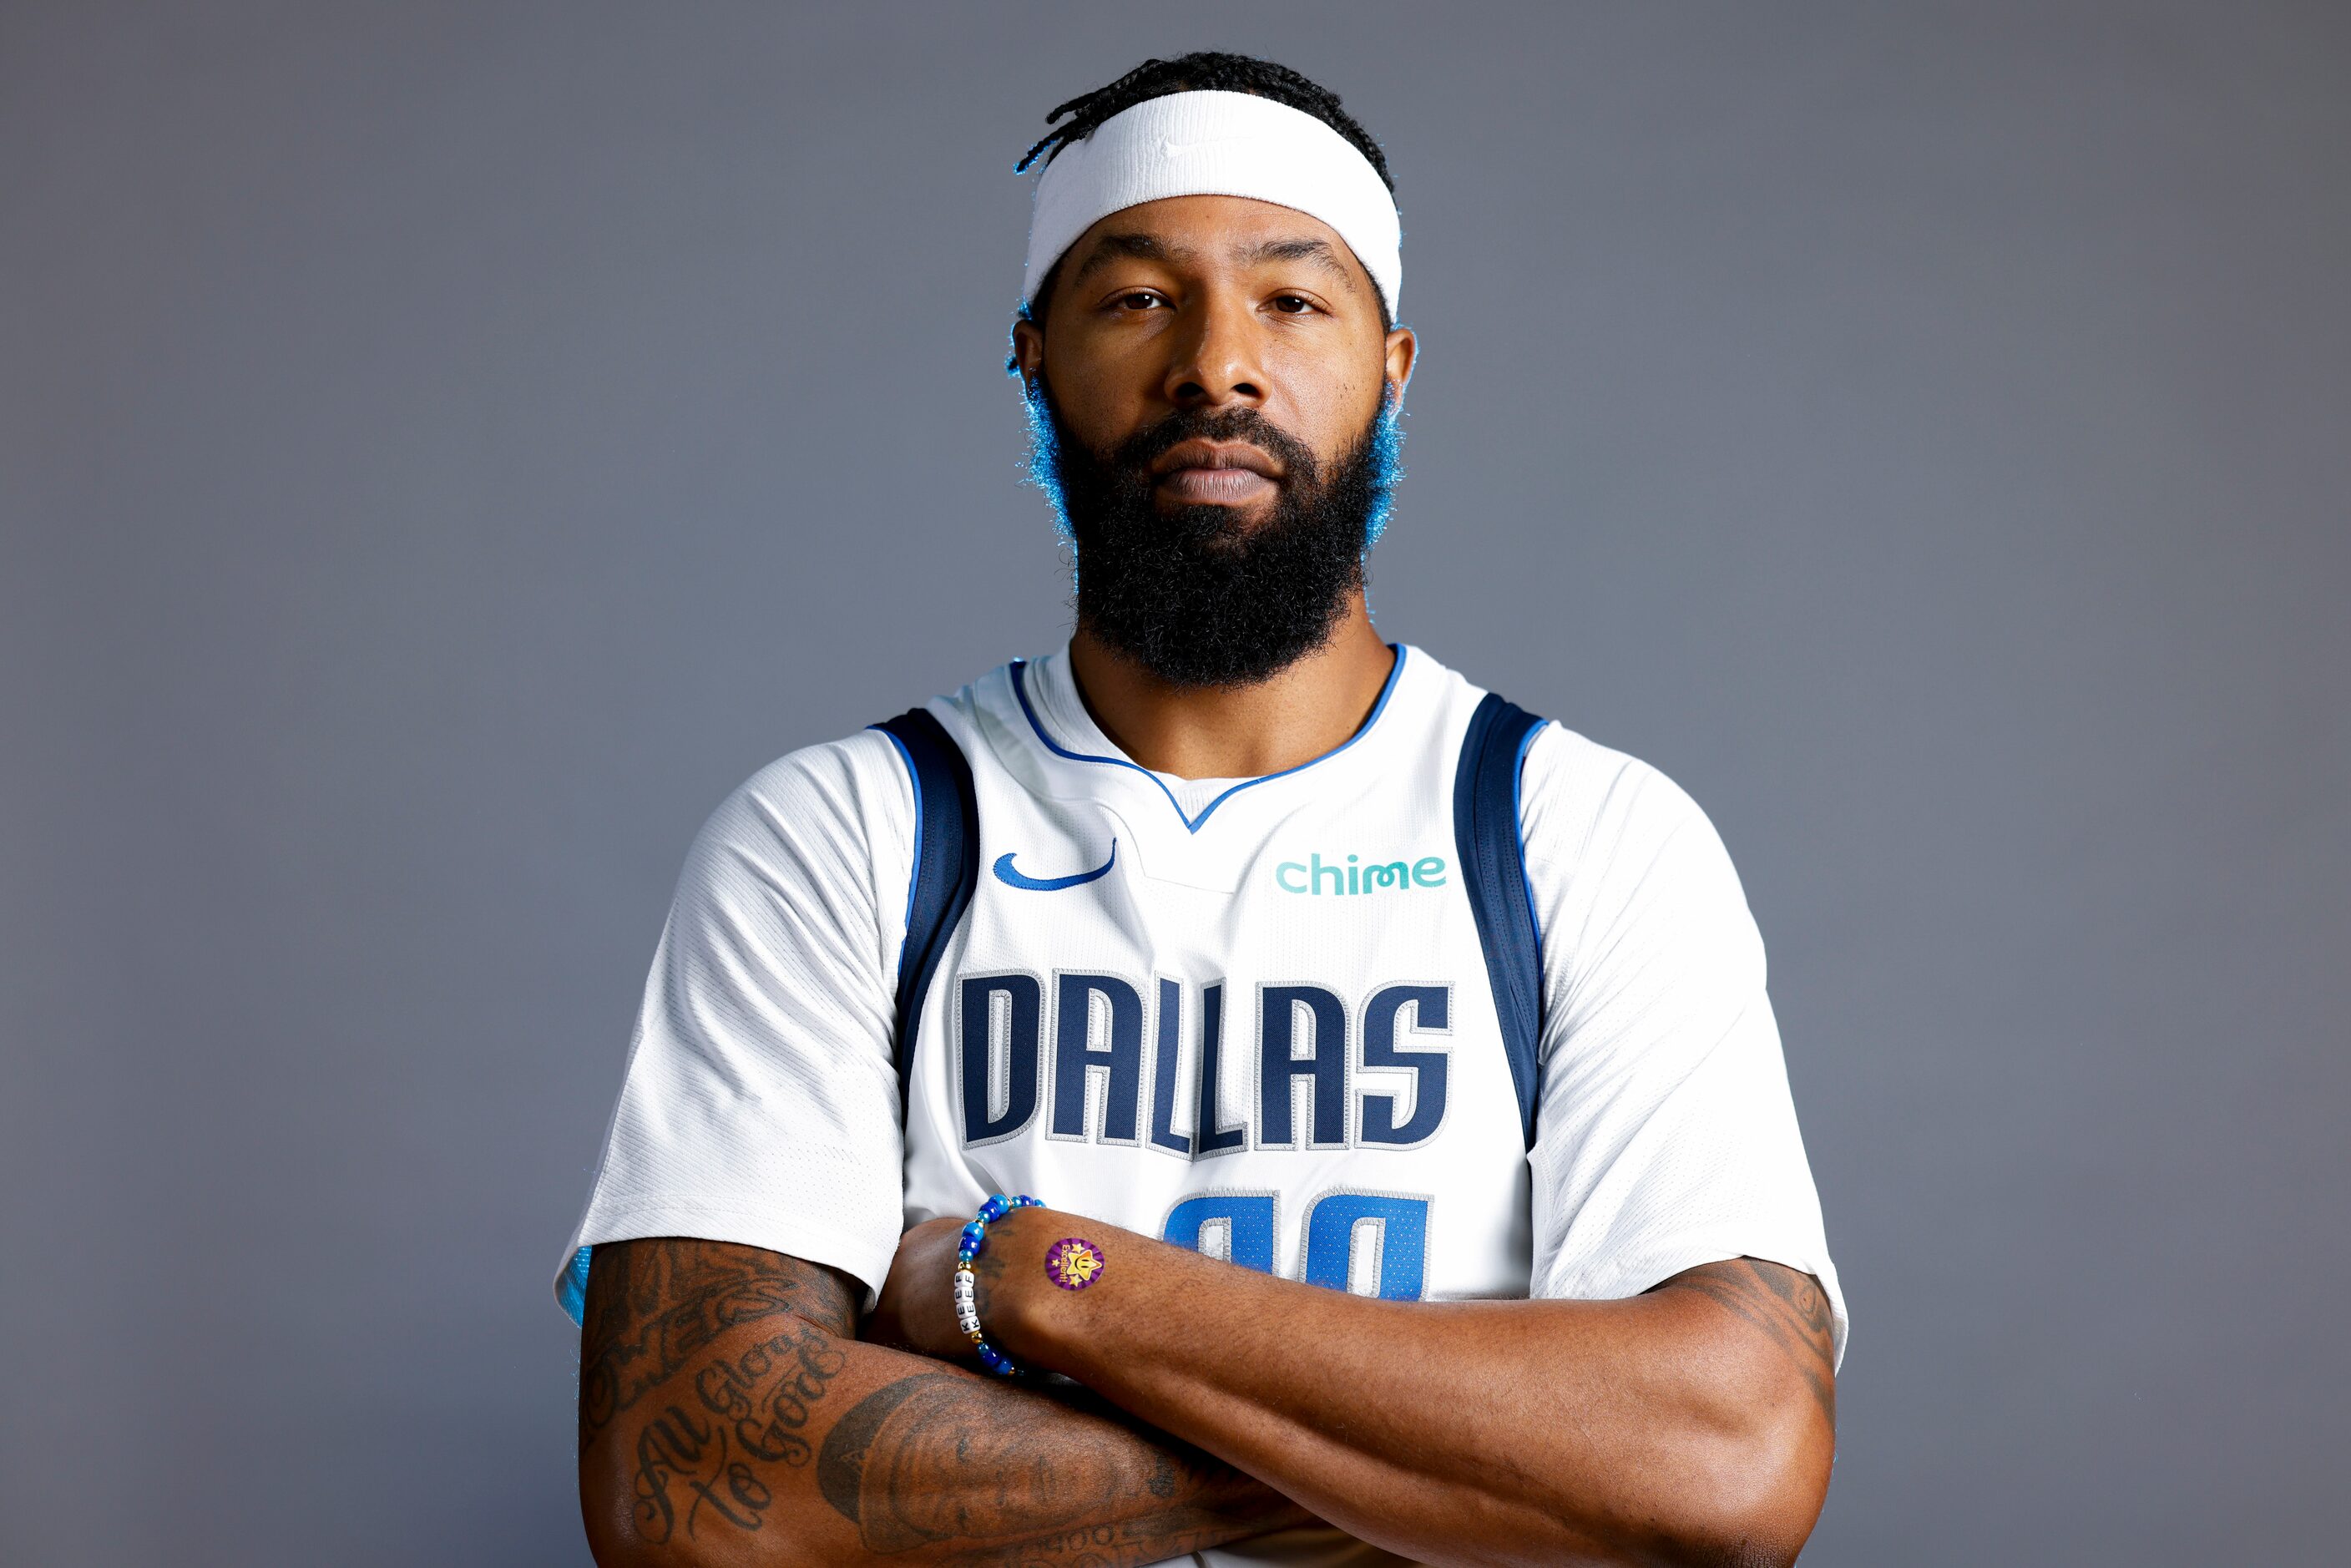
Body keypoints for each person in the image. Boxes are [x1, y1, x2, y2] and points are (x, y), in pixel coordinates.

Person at [558, 52, 1845, 1568]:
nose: (1218, 366)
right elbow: (692, 1484)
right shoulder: (846, 835)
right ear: (1035, 358)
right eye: (1137, 299)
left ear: (1393, 367)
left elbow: (1730, 1458)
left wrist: (1031, 1275)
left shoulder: (1585, 839)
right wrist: (1475, 1453)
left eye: (1294, 300)